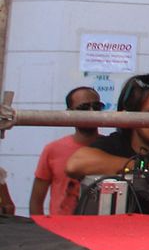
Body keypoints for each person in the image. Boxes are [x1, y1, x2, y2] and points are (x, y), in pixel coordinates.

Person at [31, 87, 103, 216]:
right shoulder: (53, 149)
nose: (92, 112)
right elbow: (36, 202)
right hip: (60, 231)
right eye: (84, 108)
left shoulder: (113, 147)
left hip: (100, 230)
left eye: (97, 106)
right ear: (69, 113)